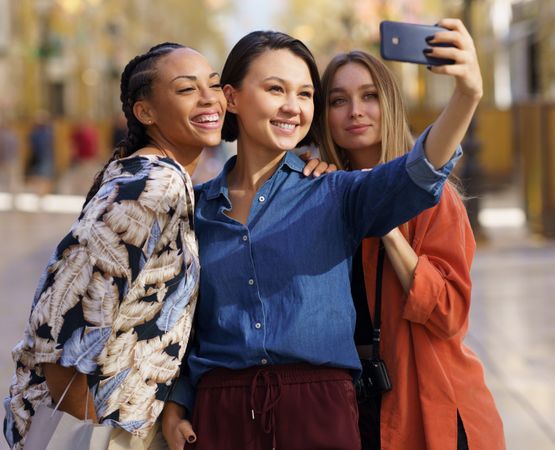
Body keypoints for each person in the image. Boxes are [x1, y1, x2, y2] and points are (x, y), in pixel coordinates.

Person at [162, 22, 474, 450]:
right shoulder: (194, 208)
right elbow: (182, 323)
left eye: (305, 94)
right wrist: (177, 403)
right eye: (276, 89)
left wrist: (466, 97)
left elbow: (416, 175)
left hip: (319, 410)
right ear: (231, 97)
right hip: (220, 415)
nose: (293, 106)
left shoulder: (334, 191)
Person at [3, 42, 225, 450]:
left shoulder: (157, 176)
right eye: (186, 89)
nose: (210, 98)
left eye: (213, 85)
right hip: (103, 429)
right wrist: (88, 433)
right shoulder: (153, 186)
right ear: (146, 112)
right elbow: (58, 327)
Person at [318, 21, 505, 450]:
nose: (355, 111)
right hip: (354, 407)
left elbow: (448, 314)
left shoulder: (432, 198)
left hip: (432, 406)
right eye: (338, 100)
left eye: (369, 96)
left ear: (389, 103)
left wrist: (386, 224)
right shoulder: (322, 192)